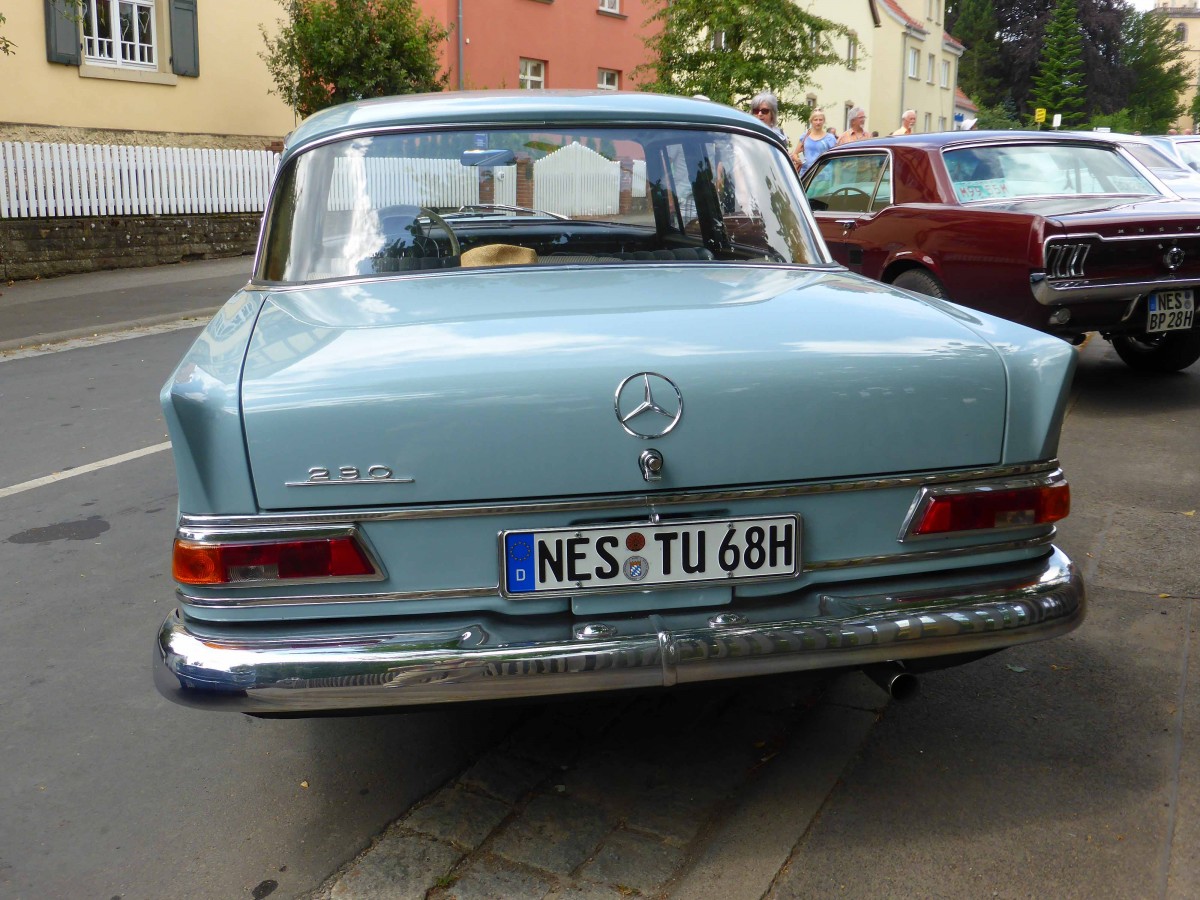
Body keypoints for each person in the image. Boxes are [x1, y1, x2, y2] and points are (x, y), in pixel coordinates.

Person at [791, 109, 837, 176]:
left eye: (820, 120)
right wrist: (797, 160)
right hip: (806, 174)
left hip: (824, 175)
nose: (818, 122)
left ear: (824, 121)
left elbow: (835, 158)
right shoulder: (805, 136)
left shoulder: (830, 138)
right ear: (811, 121)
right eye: (815, 120)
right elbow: (795, 154)